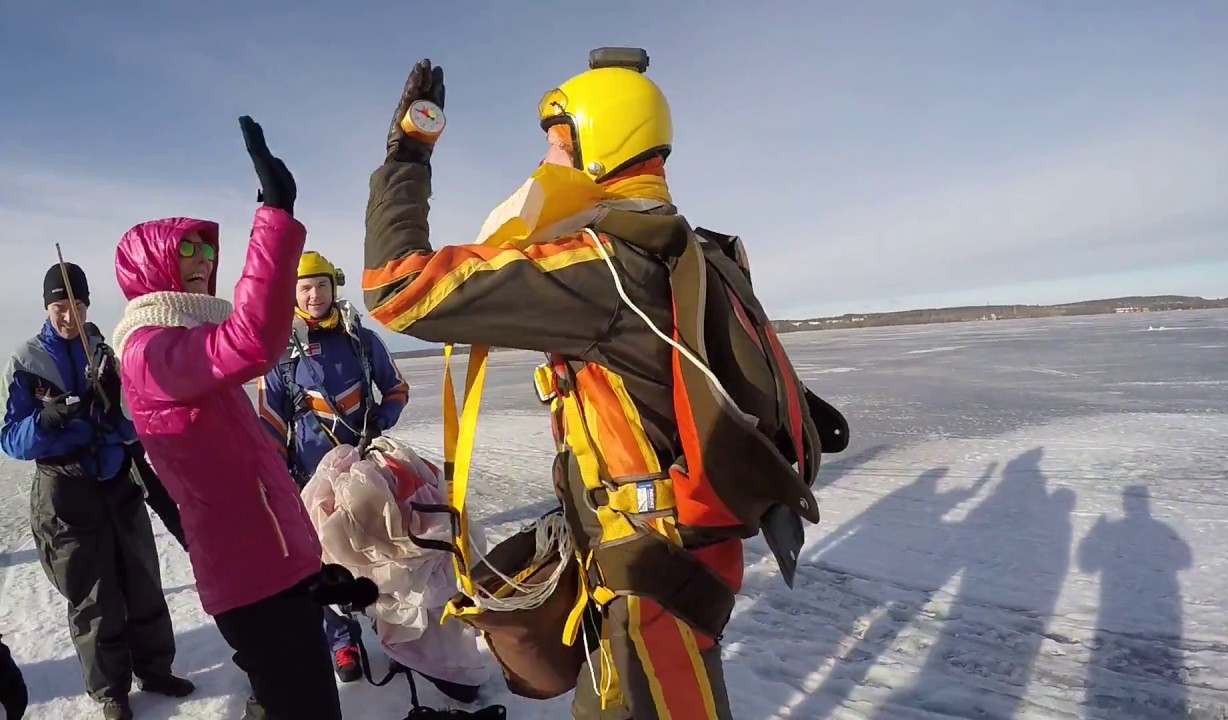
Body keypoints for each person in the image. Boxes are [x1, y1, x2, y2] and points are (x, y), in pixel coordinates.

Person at [360, 54, 846, 719]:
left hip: (647, 575)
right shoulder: (685, 251)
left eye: (557, 146)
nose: (545, 163)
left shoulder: (604, 270)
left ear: (600, 144)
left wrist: (408, 155)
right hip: (666, 554)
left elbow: (398, 288)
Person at [110, 116, 342, 720]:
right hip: (251, 579)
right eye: (184, 249)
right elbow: (252, 341)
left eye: (207, 248)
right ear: (149, 266)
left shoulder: (183, 341)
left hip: (276, 561)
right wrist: (275, 216)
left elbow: (252, 462)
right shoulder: (149, 353)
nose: (202, 259)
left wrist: (307, 558)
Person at [0, 263, 193, 719]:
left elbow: (134, 424)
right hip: (65, 491)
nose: (70, 316)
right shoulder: (27, 361)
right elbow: (10, 439)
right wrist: (46, 421)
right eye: (60, 307)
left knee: (143, 581)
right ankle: (111, 692)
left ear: (87, 305)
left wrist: (115, 406)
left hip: (117, 480)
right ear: (47, 308)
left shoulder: (107, 352)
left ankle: (156, 669)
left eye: (78, 305)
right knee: (93, 597)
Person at [257, 249, 410, 682]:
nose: (314, 295)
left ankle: (393, 632)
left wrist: (381, 419)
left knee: (381, 553)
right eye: (305, 288)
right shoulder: (279, 353)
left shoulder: (361, 339)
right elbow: (269, 422)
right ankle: (343, 641)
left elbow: (396, 388)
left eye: (321, 285)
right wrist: (278, 476)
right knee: (325, 562)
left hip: (367, 471)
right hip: (312, 481)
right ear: (292, 294)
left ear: (333, 287)